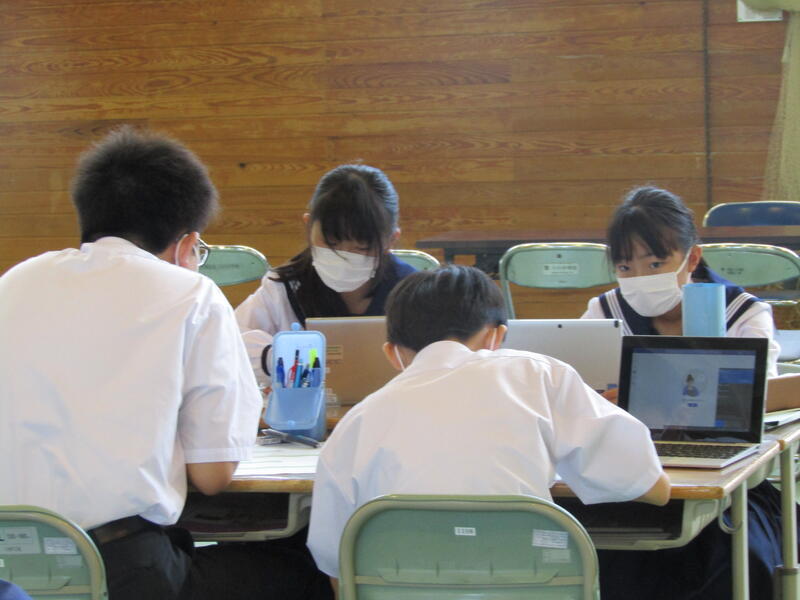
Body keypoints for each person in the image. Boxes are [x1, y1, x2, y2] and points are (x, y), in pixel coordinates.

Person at [0, 127, 331, 600]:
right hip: (121, 568)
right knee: (309, 563)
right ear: (186, 243)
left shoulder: (14, 283)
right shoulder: (191, 294)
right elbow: (213, 475)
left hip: (12, 565)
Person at [307, 265, 670, 591]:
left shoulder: (356, 423)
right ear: (497, 337)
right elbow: (652, 486)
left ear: (393, 354)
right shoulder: (540, 375)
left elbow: (339, 569)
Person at [582, 186, 787, 600]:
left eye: (656, 263)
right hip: (630, 476)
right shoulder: (604, 313)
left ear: (692, 258)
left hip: (728, 482)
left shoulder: (743, 312)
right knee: (595, 546)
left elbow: (757, 402)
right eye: (625, 267)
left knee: (736, 555)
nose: (640, 279)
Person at [235, 164, 416, 387]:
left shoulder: (412, 293)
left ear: (390, 240)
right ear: (308, 225)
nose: (344, 256)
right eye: (331, 243)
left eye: (361, 248)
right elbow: (231, 342)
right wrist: (277, 360)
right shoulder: (284, 287)